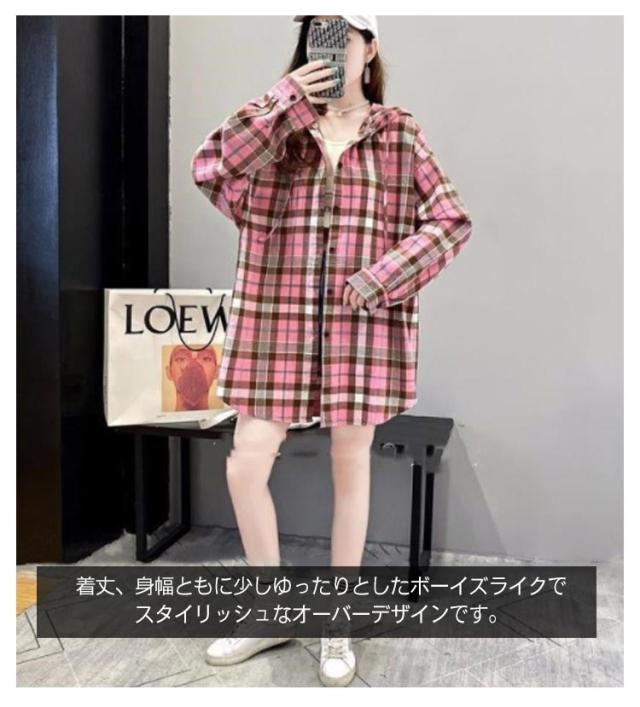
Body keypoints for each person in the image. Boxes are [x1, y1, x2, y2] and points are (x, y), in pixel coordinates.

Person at [191, 15, 472, 687]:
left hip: (360, 329)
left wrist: (382, 278)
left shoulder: (398, 134)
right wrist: (286, 99)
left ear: (369, 48)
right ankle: (270, 610)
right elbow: (211, 167)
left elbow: (449, 220)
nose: (330, 48)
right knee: (246, 462)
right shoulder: (279, 128)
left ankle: (336, 620)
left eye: (342, 36)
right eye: (317, 34)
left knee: (352, 467)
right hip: (276, 322)